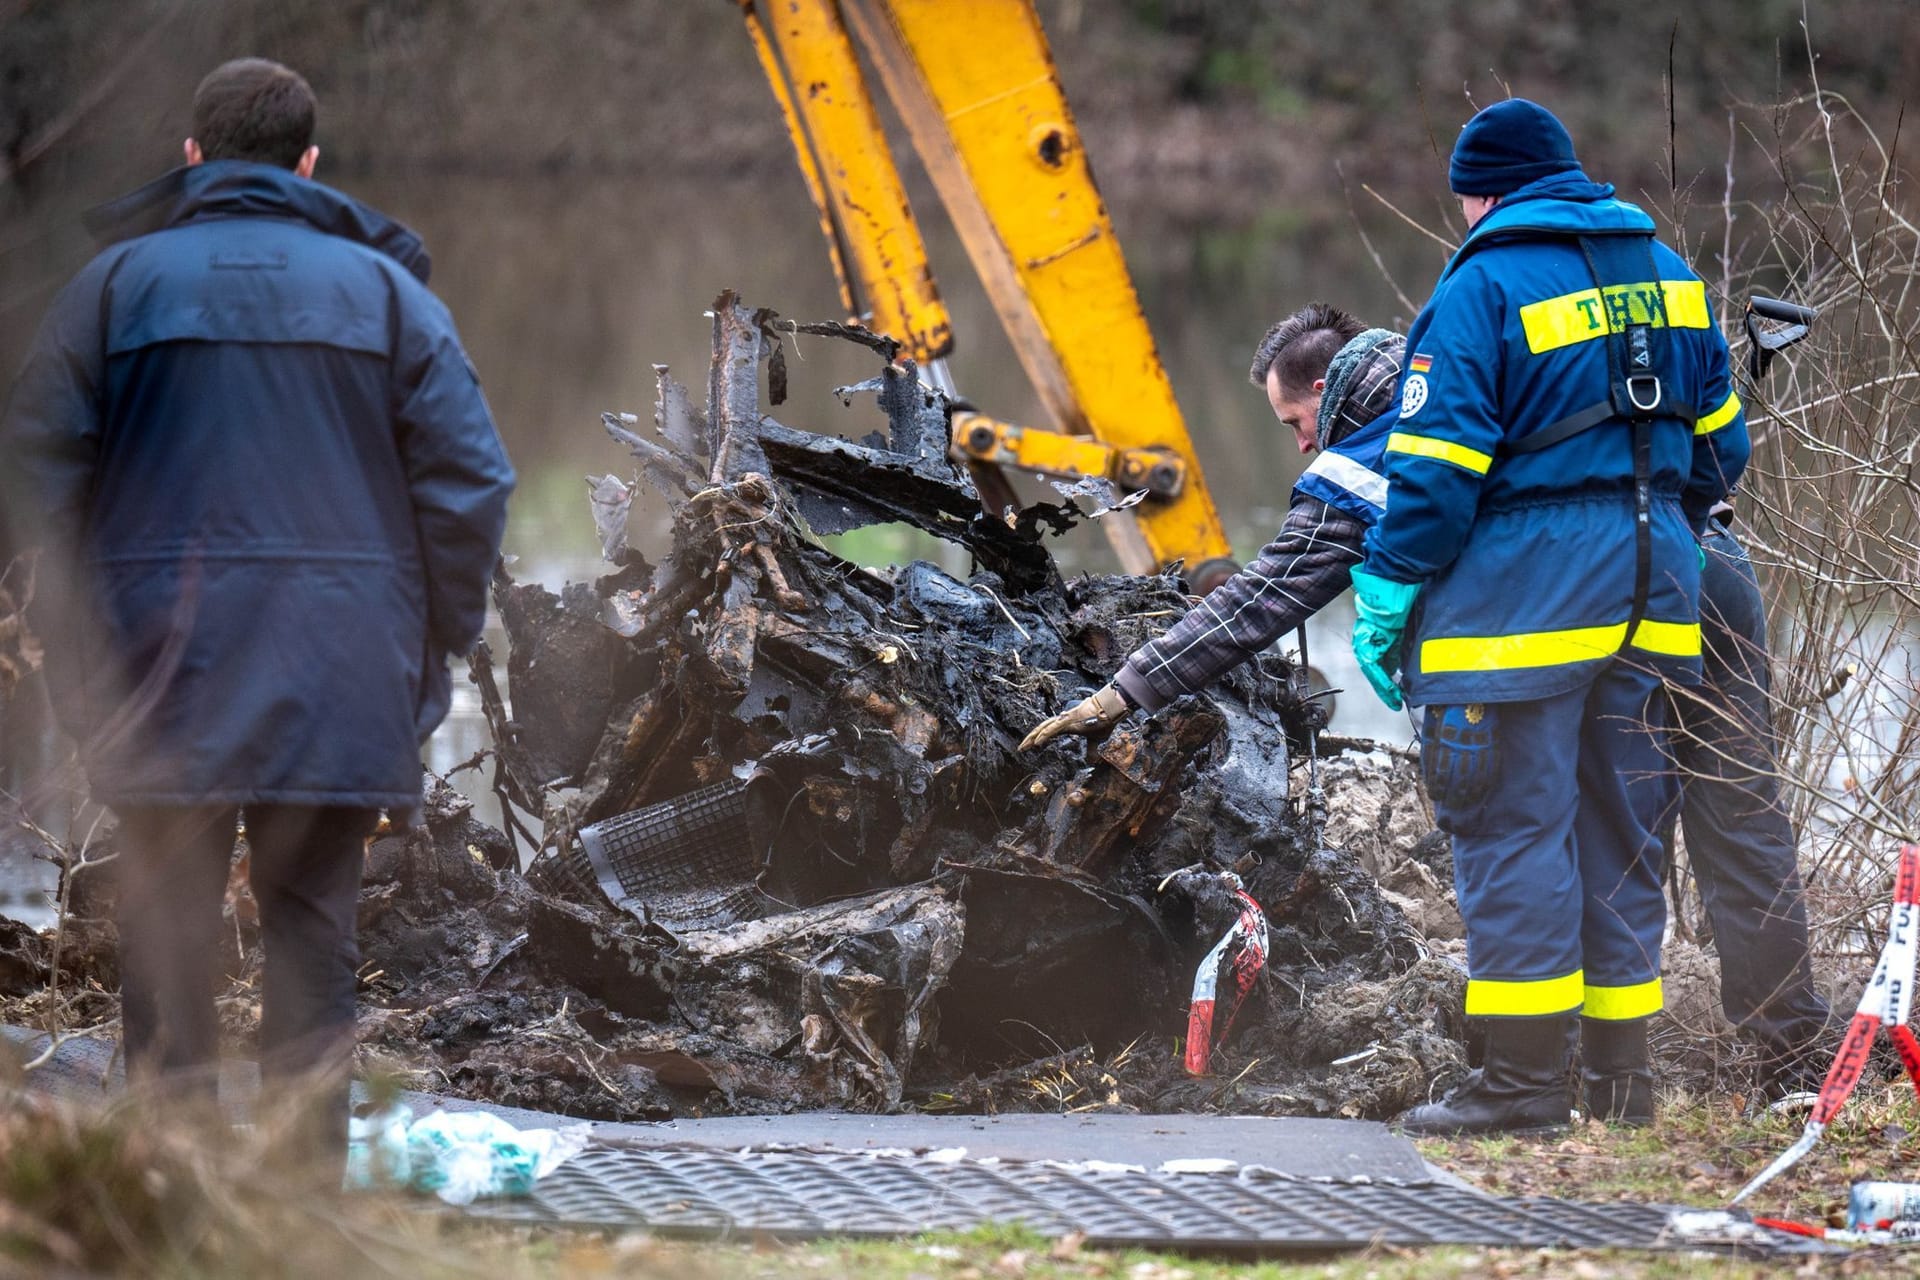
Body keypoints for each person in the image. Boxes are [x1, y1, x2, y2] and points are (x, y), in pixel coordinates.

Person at [0, 59, 514, 1160]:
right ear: (309, 164)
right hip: (339, 674)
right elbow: (472, 485)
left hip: (158, 673)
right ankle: (301, 1203)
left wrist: (79, 658)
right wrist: (431, 647)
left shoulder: (111, 289)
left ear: (192, 157)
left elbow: (36, 478)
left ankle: (176, 1188)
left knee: (170, 935)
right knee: (312, 939)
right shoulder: (389, 298)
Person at [1348, 98, 1750, 1135]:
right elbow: (1722, 452)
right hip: (1654, 606)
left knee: (1513, 833)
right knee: (1624, 837)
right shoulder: (1672, 277)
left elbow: (1433, 478)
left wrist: (1388, 587)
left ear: (1481, 192)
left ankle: (1522, 1088)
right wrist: (1660, 525)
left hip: (1515, 620)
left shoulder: (1480, 286)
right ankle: (1621, 1085)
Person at [1019, 302, 1401, 745]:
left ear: (1322, 388)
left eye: (1295, 422)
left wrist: (1124, 693)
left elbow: (1259, 599)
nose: (1301, 445)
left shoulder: (1353, 477)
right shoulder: (1447, 379)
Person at [1670, 509, 1831, 1090]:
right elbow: (1725, 446)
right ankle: (1795, 1070)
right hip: (1714, 556)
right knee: (1744, 831)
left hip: (1612, 573)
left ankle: (1597, 1076)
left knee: (1610, 828)